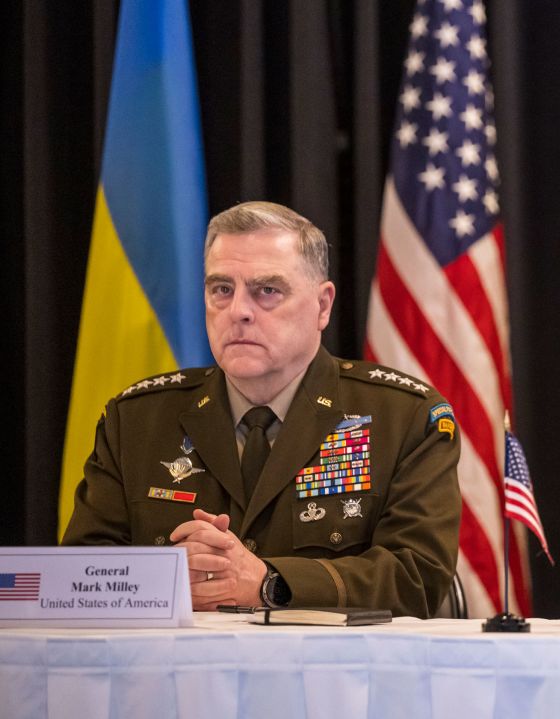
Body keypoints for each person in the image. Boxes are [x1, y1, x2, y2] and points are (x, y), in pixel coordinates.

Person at [64, 201, 461, 618]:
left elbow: (418, 577)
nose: (238, 312)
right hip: (173, 676)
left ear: (322, 305)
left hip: (333, 677)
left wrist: (270, 583)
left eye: (267, 290)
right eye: (221, 290)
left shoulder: (404, 419)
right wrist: (165, 578)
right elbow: (79, 575)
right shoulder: (137, 421)